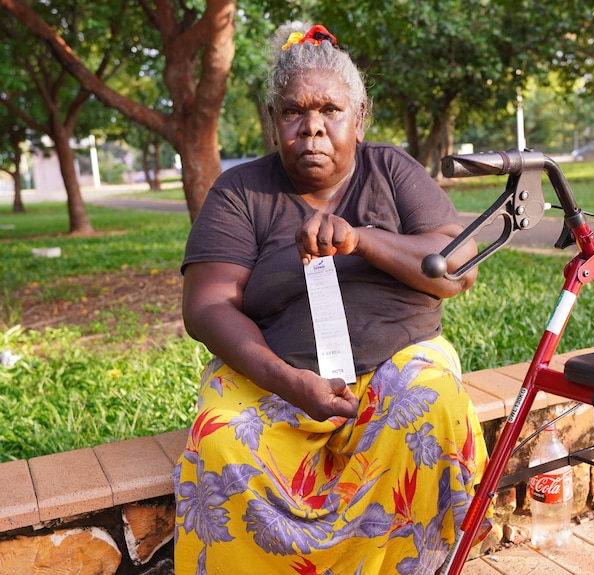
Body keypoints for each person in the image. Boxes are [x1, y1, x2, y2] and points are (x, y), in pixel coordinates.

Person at [174, 22, 489, 574]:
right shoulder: (240, 191)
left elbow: (456, 266)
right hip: (273, 376)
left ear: (359, 117)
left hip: (396, 364)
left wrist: (361, 239)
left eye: (330, 111)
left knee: (433, 398)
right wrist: (288, 381)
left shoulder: (391, 170)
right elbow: (208, 306)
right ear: (274, 122)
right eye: (294, 112)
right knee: (220, 438)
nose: (312, 128)